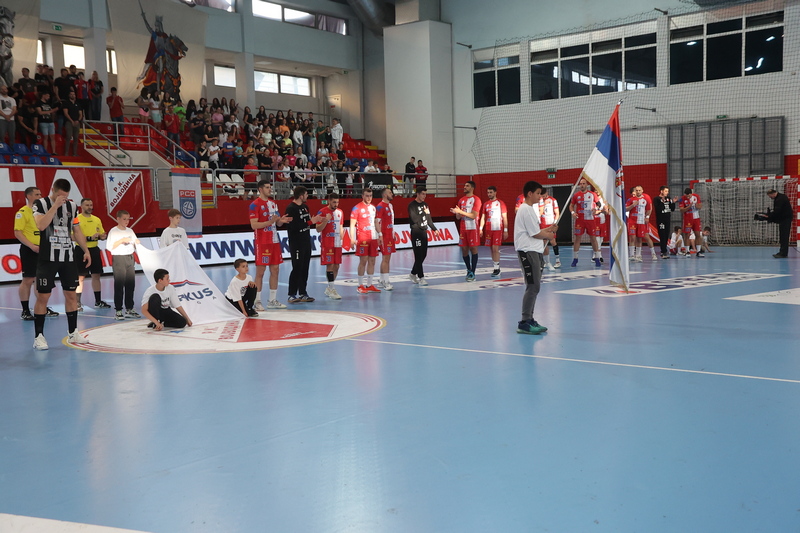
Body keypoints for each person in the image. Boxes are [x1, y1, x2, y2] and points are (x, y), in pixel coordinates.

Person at [31, 179, 91, 350]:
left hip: (67, 257)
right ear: (53, 190)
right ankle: (39, 337)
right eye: (59, 196)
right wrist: (55, 206)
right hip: (47, 258)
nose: (62, 199)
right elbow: (41, 225)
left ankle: (73, 332)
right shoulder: (40, 204)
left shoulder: (72, 206)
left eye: (65, 196)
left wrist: (85, 250)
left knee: (71, 295)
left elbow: (76, 230)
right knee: (43, 296)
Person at [515, 180, 557, 335]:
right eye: (538, 193)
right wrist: (549, 235)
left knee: (535, 286)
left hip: (535, 250)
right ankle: (525, 322)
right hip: (528, 251)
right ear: (529, 193)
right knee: (532, 286)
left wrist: (549, 229)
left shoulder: (530, 210)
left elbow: (535, 230)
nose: (540, 197)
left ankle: (530, 319)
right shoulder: (525, 209)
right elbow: (535, 234)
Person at [14, 186, 59, 320]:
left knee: (42, 279)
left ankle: (42, 307)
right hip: (29, 249)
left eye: (40, 194)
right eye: (37, 194)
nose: (40, 196)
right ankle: (25, 310)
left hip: (44, 249)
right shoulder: (22, 212)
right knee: (28, 279)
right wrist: (32, 246)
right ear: (29, 196)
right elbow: (18, 233)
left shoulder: (42, 211)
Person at [250, 180, 291, 310]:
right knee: (260, 272)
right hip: (262, 242)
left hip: (274, 241)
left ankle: (272, 300)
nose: (270, 189)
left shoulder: (273, 204)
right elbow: (254, 225)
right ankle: (257, 301)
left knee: (275, 270)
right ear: (260, 189)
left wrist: (281, 221)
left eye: (270, 187)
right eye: (267, 187)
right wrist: (269, 222)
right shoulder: (254, 205)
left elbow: (277, 223)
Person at [284, 185, 324, 303]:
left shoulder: (305, 207)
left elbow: (307, 222)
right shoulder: (291, 208)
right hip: (296, 242)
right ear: (301, 196)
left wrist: (315, 220)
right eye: (306, 194)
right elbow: (293, 226)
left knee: (305, 267)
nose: (307, 196)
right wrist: (311, 222)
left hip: (306, 241)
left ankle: (302, 293)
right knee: (297, 267)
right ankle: (291, 294)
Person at [74, 198, 110, 311]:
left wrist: (102, 236)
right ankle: (77, 302)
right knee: (80, 277)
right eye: (87, 205)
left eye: (91, 205)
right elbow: (73, 236)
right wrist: (89, 238)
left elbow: (101, 233)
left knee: (96, 275)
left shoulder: (96, 219)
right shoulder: (77, 219)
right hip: (81, 250)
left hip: (94, 249)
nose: (89, 207)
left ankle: (98, 301)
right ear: (81, 206)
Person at [106, 210, 141, 320]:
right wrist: (121, 241)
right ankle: (118, 310)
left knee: (130, 284)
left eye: (128, 219)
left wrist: (137, 243)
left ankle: (129, 308)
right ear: (118, 219)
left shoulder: (130, 231)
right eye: (124, 219)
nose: (127, 221)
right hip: (119, 258)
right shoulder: (113, 231)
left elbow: (135, 243)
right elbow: (109, 247)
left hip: (129, 258)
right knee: (119, 284)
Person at [350, 188, 381, 294]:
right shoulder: (357, 208)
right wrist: (352, 239)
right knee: (363, 261)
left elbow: (376, 222)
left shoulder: (373, 208)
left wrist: (380, 234)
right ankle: (360, 285)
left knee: (372, 261)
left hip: (373, 238)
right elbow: (352, 225)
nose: (369, 198)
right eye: (367, 195)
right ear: (362, 196)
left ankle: (369, 285)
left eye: (370, 195)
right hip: (363, 238)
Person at [451, 180, 482, 281]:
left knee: (473, 249)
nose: (464, 187)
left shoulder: (476, 200)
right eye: (464, 185)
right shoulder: (461, 200)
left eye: (467, 186)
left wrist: (460, 211)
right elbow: (458, 217)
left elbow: (473, 215)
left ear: (472, 188)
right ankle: (468, 269)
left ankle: (473, 272)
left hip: (473, 228)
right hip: (463, 228)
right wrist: (457, 213)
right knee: (464, 250)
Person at [408, 187, 439, 286]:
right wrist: (423, 213)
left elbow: (428, 219)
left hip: (423, 232)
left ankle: (413, 273)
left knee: (423, 254)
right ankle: (421, 277)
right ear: (418, 194)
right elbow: (414, 219)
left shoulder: (425, 205)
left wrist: (434, 229)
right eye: (422, 194)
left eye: (425, 194)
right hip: (416, 232)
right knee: (418, 255)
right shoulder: (412, 205)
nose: (424, 196)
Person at [316, 192, 344, 300]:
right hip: (327, 242)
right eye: (334, 202)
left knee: (337, 266)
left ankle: (330, 287)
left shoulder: (340, 212)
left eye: (337, 202)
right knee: (330, 265)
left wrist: (342, 237)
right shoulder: (322, 212)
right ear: (329, 201)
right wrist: (326, 220)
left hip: (337, 243)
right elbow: (318, 229)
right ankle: (332, 289)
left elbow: (341, 226)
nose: (336, 204)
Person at [569, 177, 602, 267]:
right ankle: (575, 259)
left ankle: (597, 258)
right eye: (581, 184)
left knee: (593, 238)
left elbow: (599, 204)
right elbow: (571, 205)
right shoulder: (576, 195)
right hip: (580, 220)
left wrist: (596, 209)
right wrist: (573, 212)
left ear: (587, 185)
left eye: (584, 183)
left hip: (590, 220)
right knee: (577, 238)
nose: (582, 185)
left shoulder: (592, 194)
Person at [480, 185, 508, 277]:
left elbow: (505, 217)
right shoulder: (486, 204)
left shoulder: (500, 203)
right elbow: (483, 217)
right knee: (491, 249)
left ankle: (497, 268)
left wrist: (505, 230)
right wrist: (480, 229)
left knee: (495, 248)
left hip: (497, 229)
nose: (489, 194)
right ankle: (495, 266)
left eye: (491, 192)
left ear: (495, 192)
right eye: (488, 192)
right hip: (488, 229)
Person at [625, 185, 654, 262]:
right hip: (632, 221)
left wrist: (647, 217)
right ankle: (631, 255)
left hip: (641, 221)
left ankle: (638, 255)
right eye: (636, 190)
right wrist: (633, 205)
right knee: (632, 237)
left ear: (642, 191)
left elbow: (649, 209)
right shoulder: (630, 199)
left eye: (639, 190)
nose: (638, 192)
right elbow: (625, 209)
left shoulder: (645, 200)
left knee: (639, 238)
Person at [375, 188, 396, 290]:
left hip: (390, 235)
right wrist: (380, 235)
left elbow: (391, 221)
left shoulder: (390, 206)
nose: (392, 194)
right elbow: (376, 222)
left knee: (387, 258)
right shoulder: (380, 206)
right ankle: (386, 282)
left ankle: (381, 280)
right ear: (384, 195)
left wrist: (393, 232)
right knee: (386, 258)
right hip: (384, 236)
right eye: (390, 192)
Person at [763, 188, 794, 258]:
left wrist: (769, 216)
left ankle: (783, 253)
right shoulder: (781, 197)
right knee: (783, 236)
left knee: (784, 237)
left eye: (770, 196)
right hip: (784, 219)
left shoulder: (780, 199)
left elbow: (777, 211)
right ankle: (782, 252)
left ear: (773, 194)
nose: (770, 198)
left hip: (785, 219)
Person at [538, 188, 561, 270]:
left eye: (544, 195)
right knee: (544, 243)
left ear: (547, 193)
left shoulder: (553, 200)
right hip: (542, 224)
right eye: (542, 195)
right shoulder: (539, 201)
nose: (543, 197)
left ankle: (558, 260)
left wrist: (555, 223)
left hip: (551, 223)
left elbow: (557, 213)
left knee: (553, 241)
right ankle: (546, 261)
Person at [678, 187, 704, 257]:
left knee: (698, 234)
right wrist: (688, 207)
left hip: (696, 218)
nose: (688, 197)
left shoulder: (696, 196)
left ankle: (698, 251)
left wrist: (697, 205)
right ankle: (687, 251)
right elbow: (681, 210)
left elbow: (700, 206)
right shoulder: (682, 199)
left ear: (691, 194)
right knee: (687, 235)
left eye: (689, 196)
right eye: (686, 196)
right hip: (687, 219)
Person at [653, 185, 676, 259]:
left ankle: (665, 250)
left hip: (667, 219)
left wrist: (673, 202)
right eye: (665, 191)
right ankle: (663, 251)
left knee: (666, 235)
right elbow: (658, 209)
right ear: (661, 191)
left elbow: (672, 209)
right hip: (661, 220)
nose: (667, 193)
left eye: (667, 191)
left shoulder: (668, 199)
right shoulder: (656, 199)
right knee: (662, 235)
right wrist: (662, 202)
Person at [62, 90, 83, 156]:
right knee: (68, 136)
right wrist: (71, 121)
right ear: (69, 95)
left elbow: (80, 114)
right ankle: (66, 153)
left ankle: (75, 153)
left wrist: (78, 120)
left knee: (76, 138)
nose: (72, 96)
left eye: (73, 94)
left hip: (77, 122)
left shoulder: (78, 104)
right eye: (71, 94)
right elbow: (66, 113)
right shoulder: (66, 103)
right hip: (69, 122)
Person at [36, 91, 56, 155]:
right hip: (43, 121)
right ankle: (45, 151)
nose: (48, 97)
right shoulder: (38, 103)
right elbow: (40, 112)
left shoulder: (48, 103)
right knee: (45, 137)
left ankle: (54, 151)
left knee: (52, 137)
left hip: (50, 121)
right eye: (47, 96)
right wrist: (50, 111)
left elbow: (52, 112)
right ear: (43, 95)